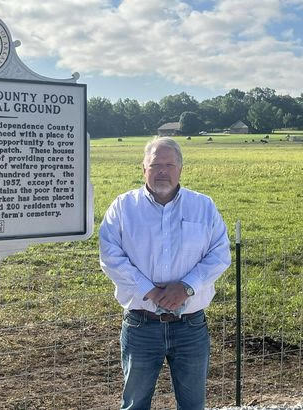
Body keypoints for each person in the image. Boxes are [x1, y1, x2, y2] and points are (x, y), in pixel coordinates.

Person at [99, 137, 231, 409]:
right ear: (143, 168)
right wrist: (150, 291)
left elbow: (220, 254)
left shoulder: (203, 207)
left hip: (191, 325)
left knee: (193, 405)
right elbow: (110, 257)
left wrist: (186, 286)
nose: (162, 171)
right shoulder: (123, 208)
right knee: (135, 404)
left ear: (180, 169)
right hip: (141, 324)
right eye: (155, 164)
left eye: (169, 165)